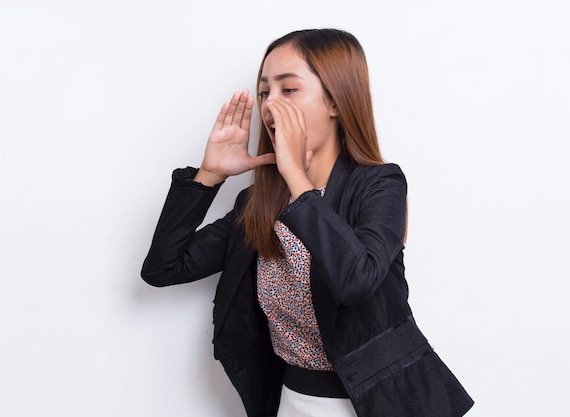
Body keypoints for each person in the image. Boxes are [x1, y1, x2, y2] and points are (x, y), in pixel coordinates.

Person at [141, 28, 473, 417]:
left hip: (380, 405)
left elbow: (356, 280)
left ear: (334, 100)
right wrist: (209, 176)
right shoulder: (261, 203)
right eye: (265, 92)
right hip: (292, 402)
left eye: (288, 89)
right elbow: (163, 268)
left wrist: (297, 176)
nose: (270, 105)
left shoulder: (379, 185)